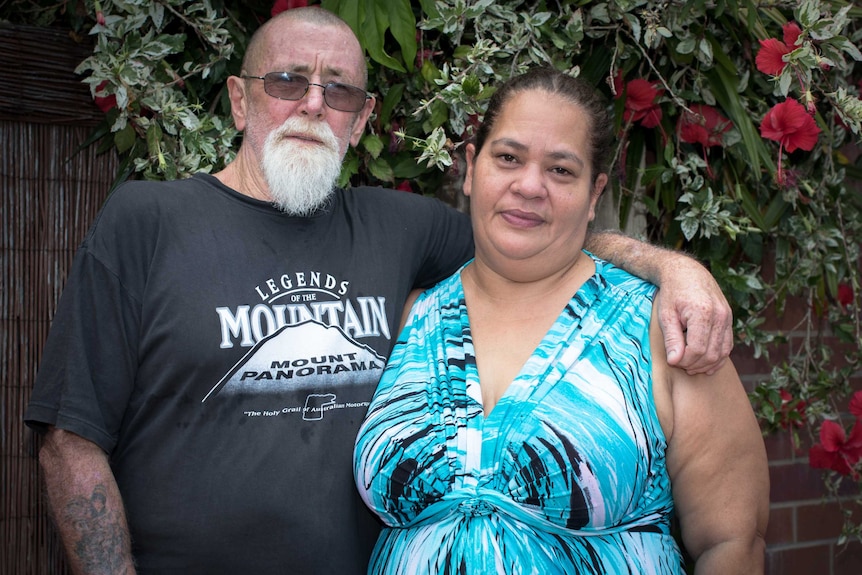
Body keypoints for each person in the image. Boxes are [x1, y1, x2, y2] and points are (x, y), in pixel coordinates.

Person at [26, 8, 733, 575]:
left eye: (338, 90)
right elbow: (69, 440)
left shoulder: (399, 226)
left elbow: (537, 232)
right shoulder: (148, 220)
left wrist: (671, 268)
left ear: (360, 120)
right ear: (240, 100)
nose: (312, 103)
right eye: (287, 81)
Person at [354, 68, 769, 574]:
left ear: (595, 195)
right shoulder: (407, 317)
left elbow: (732, 542)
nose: (529, 186)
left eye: (561, 171)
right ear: (470, 166)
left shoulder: (666, 332)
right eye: (508, 158)